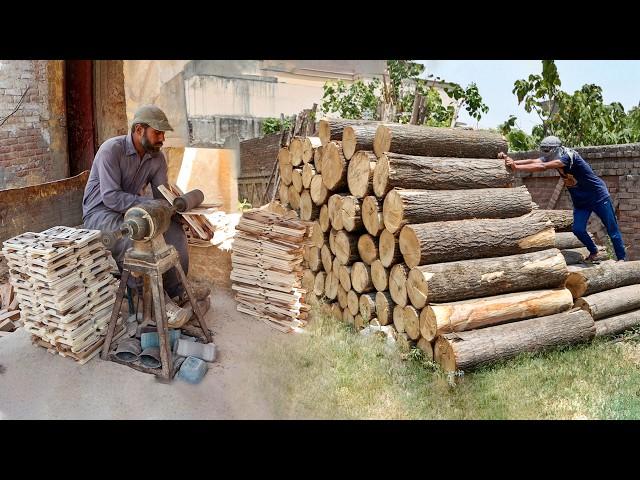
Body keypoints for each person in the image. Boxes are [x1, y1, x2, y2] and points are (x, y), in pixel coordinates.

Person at [82, 104, 210, 305]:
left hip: (133, 211)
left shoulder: (157, 157)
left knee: (174, 231)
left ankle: (177, 290)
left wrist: (182, 216)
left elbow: (163, 196)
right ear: (139, 129)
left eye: (163, 134)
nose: (162, 139)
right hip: (101, 213)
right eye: (157, 133)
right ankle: (153, 302)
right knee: (133, 239)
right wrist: (153, 204)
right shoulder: (111, 150)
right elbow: (112, 198)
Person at [499, 135, 626, 262]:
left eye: (547, 150)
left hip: (598, 196)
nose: (544, 153)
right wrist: (512, 162)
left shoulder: (568, 157)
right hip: (581, 201)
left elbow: (543, 167)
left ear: (555, 149)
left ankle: (621, 259)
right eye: (543, 150)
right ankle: (594, 251)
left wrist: (516, 167)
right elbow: (535, 161)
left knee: (612, 229)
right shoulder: (552, 156)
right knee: (578, 229)